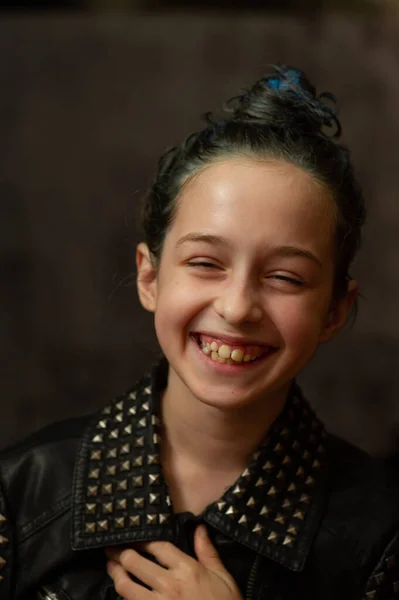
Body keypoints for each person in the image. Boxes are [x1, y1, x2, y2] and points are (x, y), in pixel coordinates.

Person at [0, 65, 398, 600]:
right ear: (149, 277)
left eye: (285, 277)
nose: (237, 308)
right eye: (206, 263)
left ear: (334, 310)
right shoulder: (20, 493)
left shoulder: (382, 535)